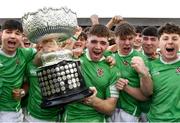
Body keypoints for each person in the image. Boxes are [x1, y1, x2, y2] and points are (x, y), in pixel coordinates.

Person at [62, 24, 119, 122]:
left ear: (107, 45)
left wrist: (92, 100)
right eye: (94, 42)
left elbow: (110, 108)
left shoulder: (112, 68)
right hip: (71, 119)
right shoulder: (74, 58)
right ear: (86, 42)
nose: (98, 46)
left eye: (102, 43)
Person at [109, 22, 152, 122]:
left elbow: (146, 96)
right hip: (110, 110)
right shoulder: (110, 55)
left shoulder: (140, 59)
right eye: (123, 39)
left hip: (129, 112)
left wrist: (125, 87)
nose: (127, 43)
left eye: (130, 38)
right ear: (116, 39)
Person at [0, 19, 36, 122]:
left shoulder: (26, 54)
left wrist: (23, 91)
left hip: (11, 112)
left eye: (17, 33)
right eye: (8, 32)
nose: (13, 36)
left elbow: (43, 52)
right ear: (1, 34)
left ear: (21, 37)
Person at [147, 23, 180, 122]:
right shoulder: (150, 65)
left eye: (175, 39)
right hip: (155, 120)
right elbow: (146, 94)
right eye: (165, 38)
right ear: (158, 43)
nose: (170, 42)